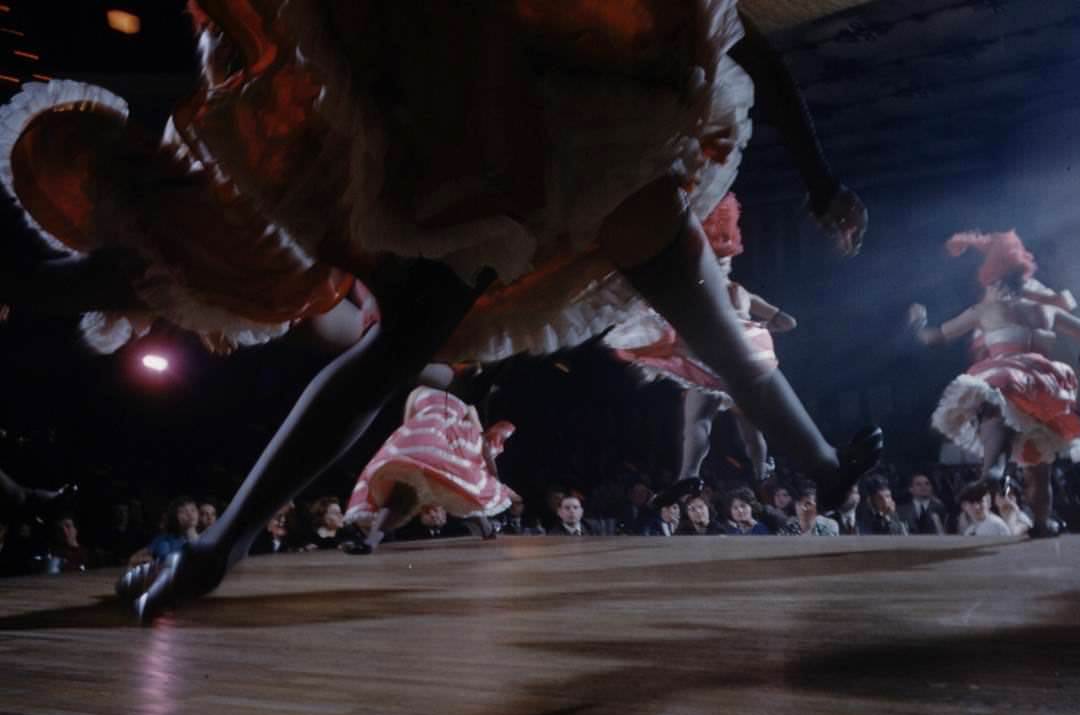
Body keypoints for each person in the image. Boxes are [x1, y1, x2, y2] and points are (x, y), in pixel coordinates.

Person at [61, 1, 879, 619]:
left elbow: (749, 47)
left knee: (719, 339)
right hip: (540, 142)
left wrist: (821, 181)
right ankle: (216, 545)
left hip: (573, 137)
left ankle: (824, 470)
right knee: (400, 349)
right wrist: (819, 182)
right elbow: (754, 54)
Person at [605, 193, 812, 495]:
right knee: (748, 425)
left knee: (699, 421)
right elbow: (788, 322)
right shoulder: (742, 292)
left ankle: (690, 474)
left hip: (713, 357)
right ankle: (761, 472)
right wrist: (766, 325)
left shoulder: (704, 294)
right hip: (740, 358)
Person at [910, 229, 1080, 537]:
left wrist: (917, 322)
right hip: (1043, 385)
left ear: (992, 277)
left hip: (1004, 373)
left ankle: (994, 470)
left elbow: (936, 338)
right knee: (1039, 467)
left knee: (994, 405)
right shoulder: (1048, 308)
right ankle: (1041, 523)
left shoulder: (984, 310)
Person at [343, 385, 516, 551]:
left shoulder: (466, 406)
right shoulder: (418, 392)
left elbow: (479, 440)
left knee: (462, 491)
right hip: (424, 444)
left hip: (449, 449)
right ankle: (370, 542)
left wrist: (492, 474)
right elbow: (409, 423)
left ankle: (488, 531)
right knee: (402, 493)